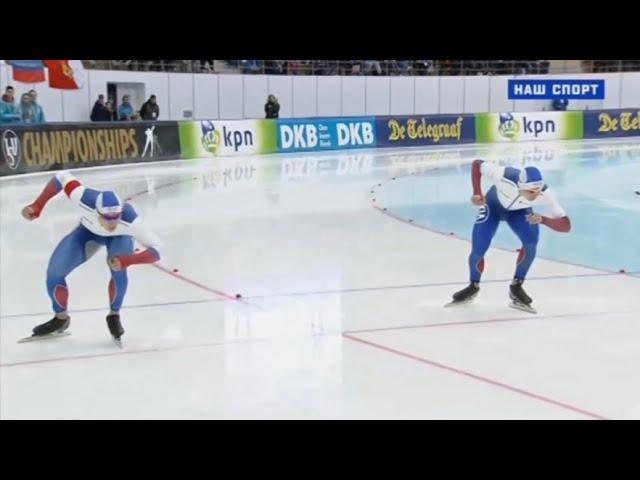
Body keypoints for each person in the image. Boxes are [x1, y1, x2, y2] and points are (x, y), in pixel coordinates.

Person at [20, 171, 162, 345]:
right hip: (87, 232)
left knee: (119, 270)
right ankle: (60, 318)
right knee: (55, 271)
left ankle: (114, 315)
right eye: (107, 218)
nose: (112, 223)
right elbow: (61, 177)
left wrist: (128, 261)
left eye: (116, 217)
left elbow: (159, 250)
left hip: (120, 238)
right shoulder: (82, 198)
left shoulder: (131, 222)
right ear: (97, 211)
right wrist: (37, 206)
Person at [448, 160, 571, 312]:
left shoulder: (545, 193)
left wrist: (543, 220)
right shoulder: (504, 175)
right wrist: (477, 192)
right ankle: (473, 285)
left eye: (538, 190)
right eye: (531, 192)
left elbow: (566, 226)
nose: (535, 195)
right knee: (478, 250)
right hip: (493, 207)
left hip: (519, 213)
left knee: (531, 243)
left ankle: (516, 286)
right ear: (521, 186)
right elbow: (477, 164)